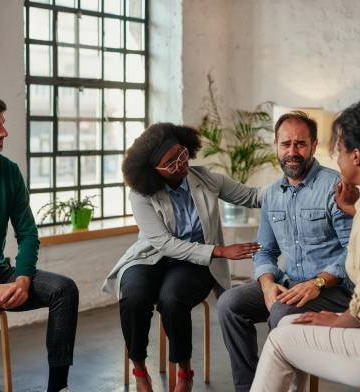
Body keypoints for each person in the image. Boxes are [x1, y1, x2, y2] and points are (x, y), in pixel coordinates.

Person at [251, 99, 360, 392]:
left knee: (280, 339)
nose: (335, 157)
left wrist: (336, 320)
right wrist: (356, 211)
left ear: (355, 156)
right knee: (291, 325)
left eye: (337, 149)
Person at [102, 122, 263, 392]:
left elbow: (253, 196)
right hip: (150, 257)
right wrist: (219, 251)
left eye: (181, 154)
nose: (180, 164)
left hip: (194, 262)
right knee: (133, 296)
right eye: (170, 162)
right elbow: (163, 243)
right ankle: (140, 370)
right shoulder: (142, 194)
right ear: (153, 171)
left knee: (172, 299)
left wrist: (294, 185)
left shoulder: (207, 179)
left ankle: (185, 373)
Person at [217, 111, 355, 392]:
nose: (292, 151)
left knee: (281, 311)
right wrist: (267, 284)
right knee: (229, 304)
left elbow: (355, 251)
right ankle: (251, 387)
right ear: (276, 147)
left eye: (300, 144)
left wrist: (318, 283)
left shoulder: (336, 188)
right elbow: (265, 250)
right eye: (286, 144)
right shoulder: (271, 194)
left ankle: (288, 388)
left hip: (335, 289)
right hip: (290, 283)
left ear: (314, 146)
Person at [0, 91, 79, 392]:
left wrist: (24, 278)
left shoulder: (8, 171)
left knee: (64, 289)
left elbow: (27, 233)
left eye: (3, 124)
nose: (4, 132)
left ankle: (58, 387)